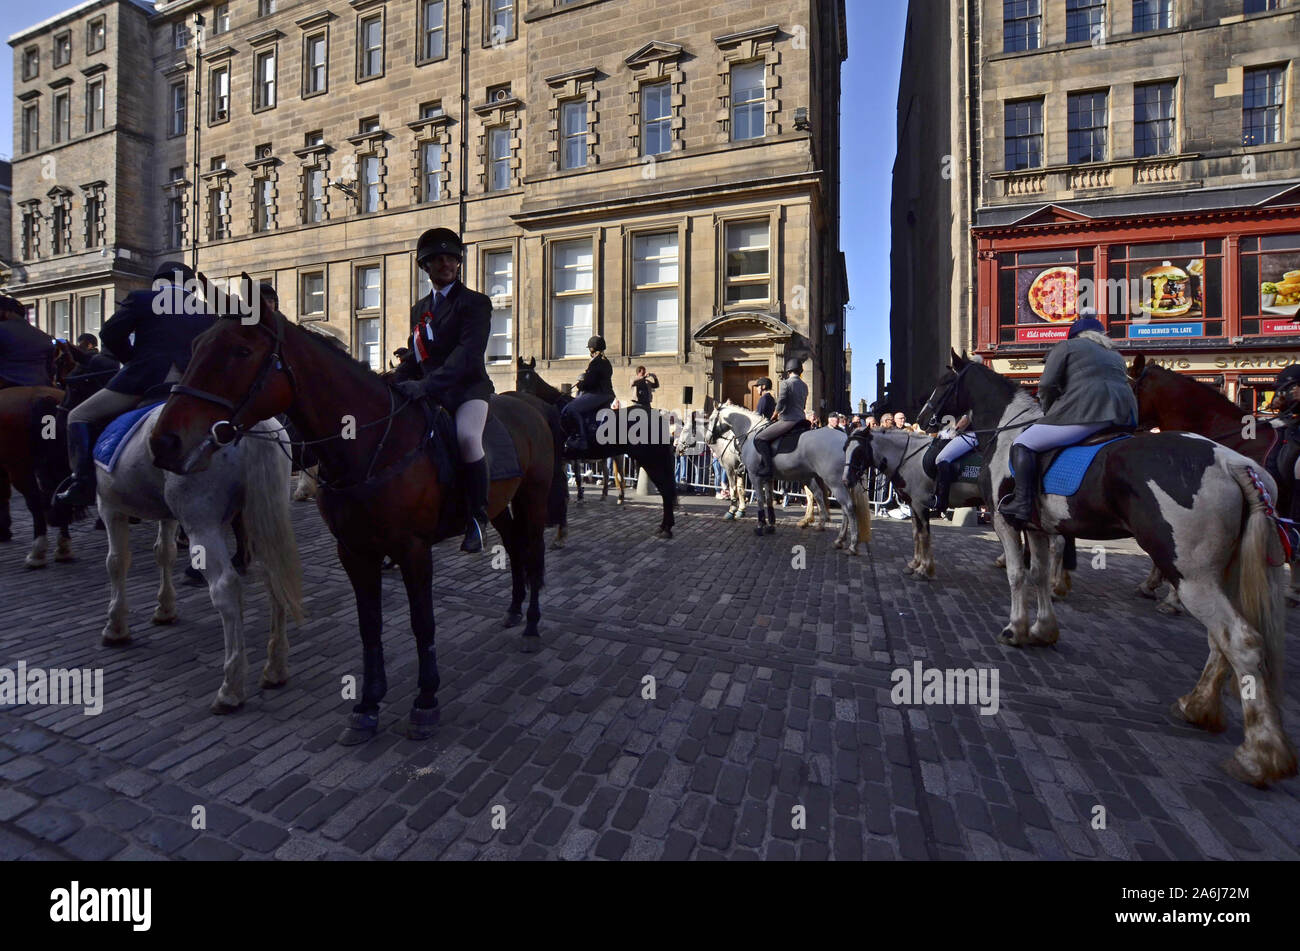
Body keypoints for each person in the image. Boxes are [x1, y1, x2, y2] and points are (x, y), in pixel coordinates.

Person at [55, 262, 214, 506]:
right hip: (188, 386)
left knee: (78, 416)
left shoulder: (141, 298)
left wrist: (130, 360)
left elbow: (109, 334)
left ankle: (81, 482)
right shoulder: (207, 310)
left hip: (144, 380)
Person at [395, 227, 495, 553]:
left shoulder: (475, 303)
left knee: (467, 438)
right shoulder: (420, 307)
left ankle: (477, 519)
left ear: (458, 263)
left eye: (450, 258)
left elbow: (466, 355)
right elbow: (415, 355)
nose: (445, 264)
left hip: (467, 390)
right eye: (437, 260)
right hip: (431, 392)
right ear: (425, 266)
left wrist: (425, 385)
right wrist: (390, 381)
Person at [999, 315, 1138, 528]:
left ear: (1075, 335)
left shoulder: (1067, 346)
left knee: (1023, 443)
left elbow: (1046, 385)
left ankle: (1022, 503)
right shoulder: (1114, 355)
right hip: (1124, 416)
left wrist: (1049, 411)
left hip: (1087, 413)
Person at [753, 357, 809, 477]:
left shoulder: (786, 383)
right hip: (802, 419)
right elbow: (803, 404)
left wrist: (775, 414)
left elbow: (782, 402)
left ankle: (768, 468)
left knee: (760, 438)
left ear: (788, 371)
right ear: (800, 371)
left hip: (788, 420)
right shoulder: (804, 385)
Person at [561, 335, 614, 453]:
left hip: (598, 394)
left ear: (592, 349)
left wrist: (581, 385)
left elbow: (591, 382)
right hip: (607, 394)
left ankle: (581, 439)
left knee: (570, 408)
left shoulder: (596, 362)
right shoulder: (606, 362)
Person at [0, 294, 56, 389]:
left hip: (8, 387)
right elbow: (51, 370)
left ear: (7, 312)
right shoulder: (45, 337)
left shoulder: (2, 329)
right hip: (43, 386)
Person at [926, 413, 977, 514]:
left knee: (941, 458)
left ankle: (941, 501)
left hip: (971, 434)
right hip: (972, 433)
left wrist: (955, 429)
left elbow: (967, 417)